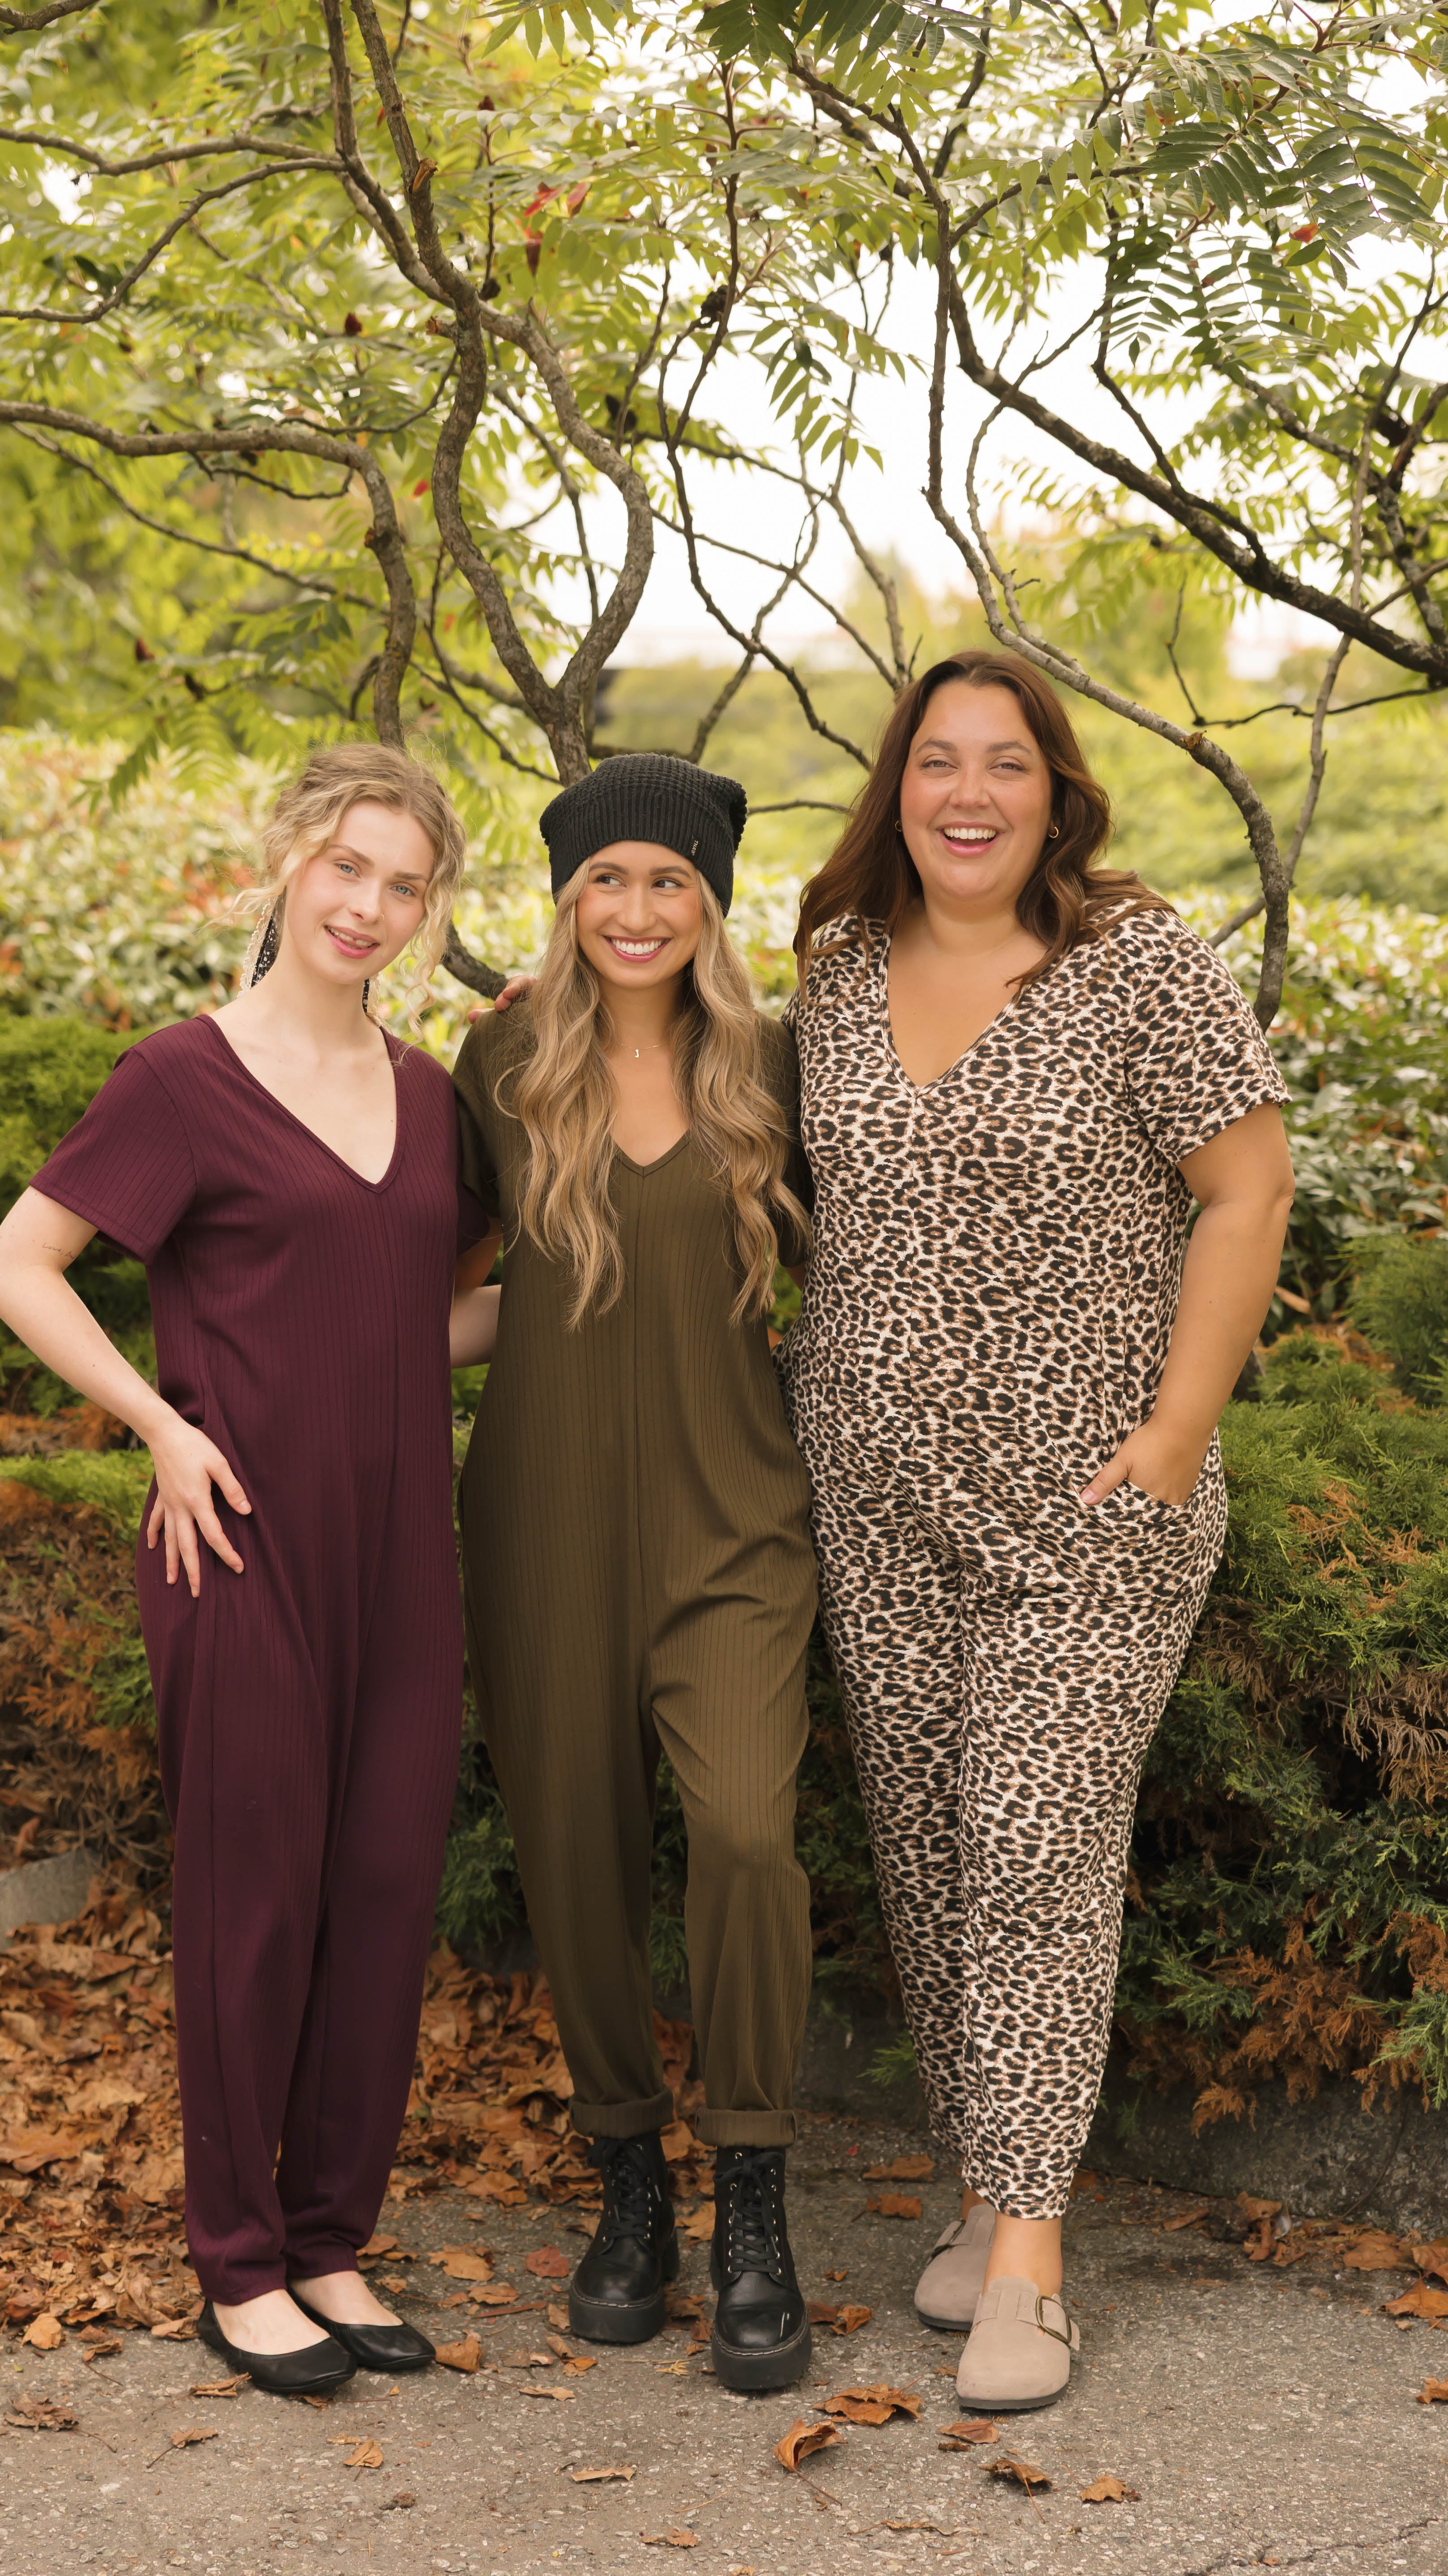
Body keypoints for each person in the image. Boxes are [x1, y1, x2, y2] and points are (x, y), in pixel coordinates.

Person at [780, 649, 1295, 2413]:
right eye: (939, 762)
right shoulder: (832, 979)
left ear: (1055, 791)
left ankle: (1029, 2259)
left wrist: (1172, 1435)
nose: (970, 794)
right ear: (897, 788)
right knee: (924, 1847)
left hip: (1089, 1505)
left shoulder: (1136, 968)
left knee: (1028, 1842)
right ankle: (982, 2168)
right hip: (871, 1492)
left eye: (1006, 763)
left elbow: (1247, 1188)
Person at [0, 743, 498, 2398]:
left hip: (409, 1554)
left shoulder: (431, 1101)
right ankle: (241, 2261)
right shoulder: (180, 1078)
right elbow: (22, 1263)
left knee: (382, 1892)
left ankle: (334, 2241)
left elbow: (436, 1312)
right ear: (290, 861)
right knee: (256, 1899)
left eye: (405, 885)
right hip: (241, 1542)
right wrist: (157, 1426)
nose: (369, 905)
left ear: (431, 911)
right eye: (347, 866)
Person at [451, 753, 820, 2393]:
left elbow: (880, 1275)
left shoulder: (778, 1065)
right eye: (608, 879)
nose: (637, 910)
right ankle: (628, 2189)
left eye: (669, 881)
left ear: (711, 906)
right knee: (579, 1857)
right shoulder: (502, 1064)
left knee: (746, 1836)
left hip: (735, 1521)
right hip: (539, 1518)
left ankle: (751, 2200)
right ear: (565, 897)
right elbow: (443, 1279)